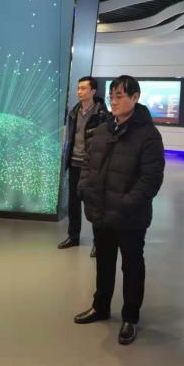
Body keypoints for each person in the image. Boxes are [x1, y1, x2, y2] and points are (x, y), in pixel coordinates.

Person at [74, 75, 165, 345]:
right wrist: (84, 189)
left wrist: (126, 202)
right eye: (112, 96)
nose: (114, 101)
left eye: (120, 96)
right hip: (101, 211)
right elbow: (88, 163)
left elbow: (151, 179)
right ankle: (100, 306)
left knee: (132, 266)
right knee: (103, 262)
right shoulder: (104, 129)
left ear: (135, 98)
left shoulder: (148, 135)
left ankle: (130, 317)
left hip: (130, 216)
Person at [58, 76, 110, 257]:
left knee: (94, 205)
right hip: (74, 163)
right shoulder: (74, 112)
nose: (79, 91)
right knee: (73, 203)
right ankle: (73, 236)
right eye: (78, 88)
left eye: (83, 88)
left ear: (93, 91)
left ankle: (99, 242)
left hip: (92, 166)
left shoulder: (102, 114)